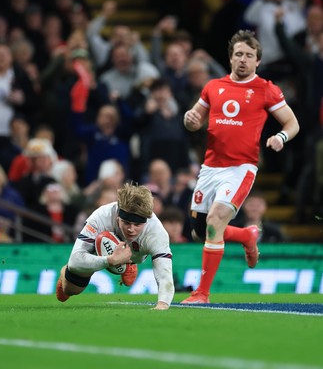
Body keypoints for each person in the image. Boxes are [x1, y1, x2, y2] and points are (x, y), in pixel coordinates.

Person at [181, 29, 300, 304]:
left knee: (214, 221)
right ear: (230, 58)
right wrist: (190, 120)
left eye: (249, 55)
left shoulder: (266, 89)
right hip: (210, 168)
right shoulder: (213, 87)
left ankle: (202, 293)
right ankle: (247, 236)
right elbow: (194, 119)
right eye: (238, 55)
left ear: (257, 61)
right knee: (200, 232)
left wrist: (281, 137)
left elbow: (292, 123)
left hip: (240, 168)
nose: (243, 60)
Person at [56, 182, 174, 310]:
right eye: (126, 222)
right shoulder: (100, 217)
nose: (131, 229)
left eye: (137, 225)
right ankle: (66, 271)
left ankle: (129, 263)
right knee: (71, 290)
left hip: (137, 254)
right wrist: (110, 260)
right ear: (118, 216)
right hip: (99, 251)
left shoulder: (157, 232)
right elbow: (75, 261)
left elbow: (164, 274)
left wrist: (162, 304)